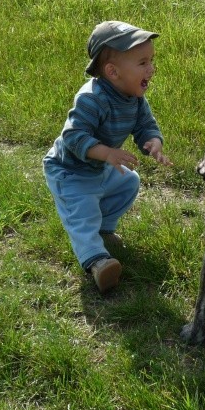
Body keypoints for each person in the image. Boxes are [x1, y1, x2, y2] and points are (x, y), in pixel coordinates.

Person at [43, 20, 173, 293]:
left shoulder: (134, 97)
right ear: (113, 72)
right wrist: (108, 153)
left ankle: (105, 230)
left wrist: (153, 142)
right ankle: (98, 262)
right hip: (71, 172)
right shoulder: (92, 98)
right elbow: (73, 137)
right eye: (142, 63)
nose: (151, 69)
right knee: (83, 215)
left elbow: (144, 125)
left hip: (100, 166)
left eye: (151, 61)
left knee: (129, 183)